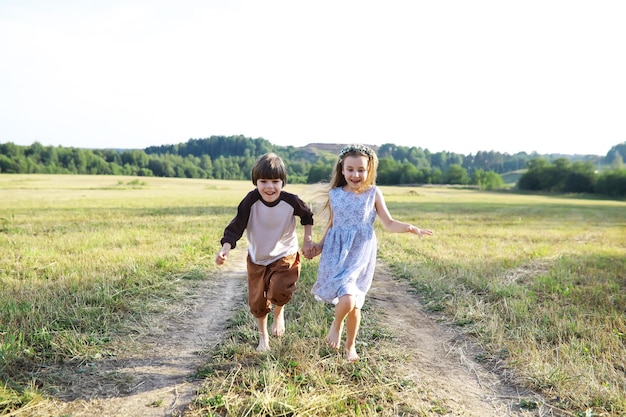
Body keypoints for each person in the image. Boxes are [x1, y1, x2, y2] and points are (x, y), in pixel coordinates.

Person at [307, 144, 432, 362]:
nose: (356, 174)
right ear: (342, 169)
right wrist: (319, 245)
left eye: (361, 170)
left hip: (360, 256)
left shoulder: (373, 193)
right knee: (349, 300)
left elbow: (389, 223)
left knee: (354, 302)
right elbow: (332, 225)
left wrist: (410, 228)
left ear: (369, 169)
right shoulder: (335, 194)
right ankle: (337, 326)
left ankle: (350, 346)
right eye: (350, 169)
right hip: (337, 254)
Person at [216, 153, 315, 352]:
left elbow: (307, 216)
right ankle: (264, 339)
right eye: (263, 181)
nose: (269, 187)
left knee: (280, 288)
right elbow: (236, 226)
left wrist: (307, 241)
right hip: (258, 257)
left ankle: (279, 312)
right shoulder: (250, 201)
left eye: (275, 181)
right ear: (256, 182)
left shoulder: (291, 201)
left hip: (284, 253)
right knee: (258, 303)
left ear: (283, 182)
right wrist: (225, 248)